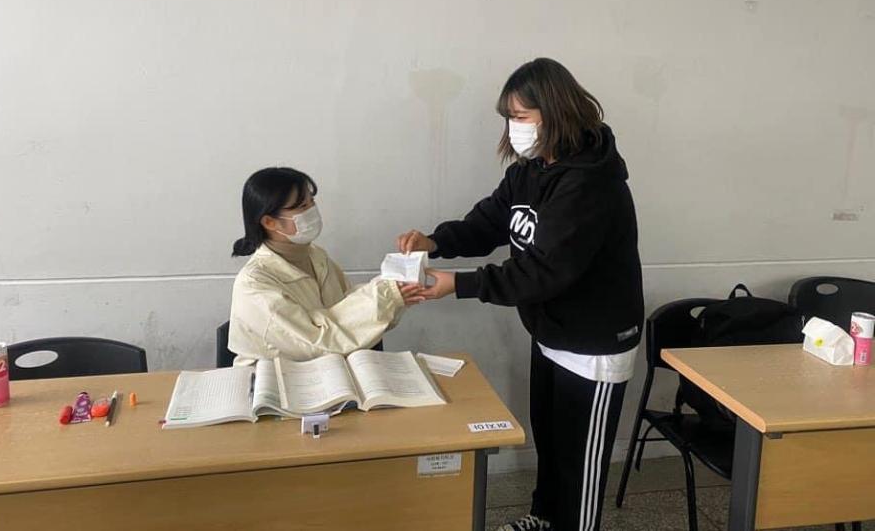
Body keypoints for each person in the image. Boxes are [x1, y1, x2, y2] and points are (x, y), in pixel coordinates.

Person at [398, 58, 644, 531]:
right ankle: (543, 518)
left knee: (580, 463)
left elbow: (545, 271)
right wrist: (436, 241)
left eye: (521, 116)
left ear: (556, 112)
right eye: (509, 117)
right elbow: (490, 221)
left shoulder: (590, 183)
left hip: (594, 343)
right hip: (551, 330)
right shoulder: (530, 171)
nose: (514, 128)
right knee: (550, 444)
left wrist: (459, 284)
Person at [229, 166, 422, 366]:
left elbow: (347, 308)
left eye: (312, 202)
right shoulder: (254, 283)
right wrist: (387, 295)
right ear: (270, 222)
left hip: (329, 371)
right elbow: (318, 341)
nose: (312, 211)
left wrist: (398, 290)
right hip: (278, 379)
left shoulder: (316, 256)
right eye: (302, 206)